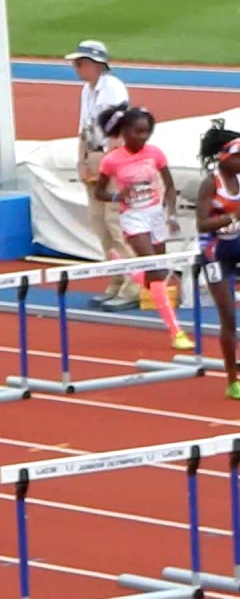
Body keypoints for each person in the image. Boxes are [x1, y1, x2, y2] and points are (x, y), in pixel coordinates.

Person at [93, 104, 193, 351]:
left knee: (155, 275)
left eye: (146, 132)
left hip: (156, 215)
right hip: (133, 218)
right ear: (124, 131)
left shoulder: (155, 154)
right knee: (157, 273)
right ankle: (176, 331)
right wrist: (118, 196)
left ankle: (128, 268)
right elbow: (99, 192)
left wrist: (171, 212)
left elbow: (169, 187)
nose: (142, 137)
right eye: (137, 132)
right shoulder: (112, 160)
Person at [69, 39, 140, 311]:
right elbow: (83, 129)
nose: (76, 67)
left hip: (110, 159)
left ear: (96, 64)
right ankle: (117, 278)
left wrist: (108, 166)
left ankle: (133, 284)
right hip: (92, 155)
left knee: (115, 223)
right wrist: (81, 160)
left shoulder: (113, 88)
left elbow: (118, 134)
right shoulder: (86, 91)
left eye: (80, 63)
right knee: (100, 225)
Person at [194, 120, 240, 400]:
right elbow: (200, 224)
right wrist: (232, 217)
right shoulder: (211, 184)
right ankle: (232, 380)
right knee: (228, 317)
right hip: (215, 253)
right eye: (238, 156)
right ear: (223, 157)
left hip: (238, 245)